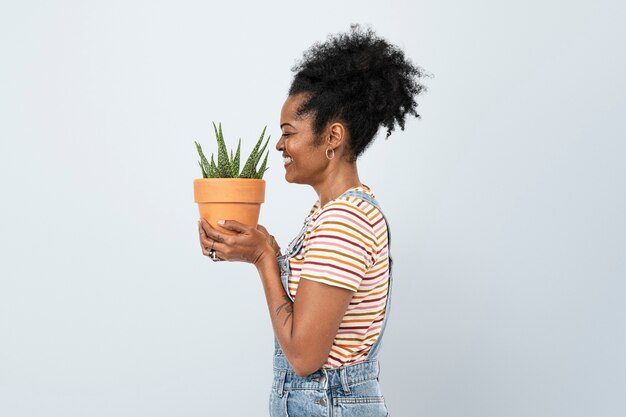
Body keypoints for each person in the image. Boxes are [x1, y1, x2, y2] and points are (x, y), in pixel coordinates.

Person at [198, 24, 426, 417]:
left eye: (289, 133)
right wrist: (264, 248)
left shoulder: (344, 221)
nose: (280, 145)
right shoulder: (335, 214)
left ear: (332, 137)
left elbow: (304, 356)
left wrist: (263, 261)